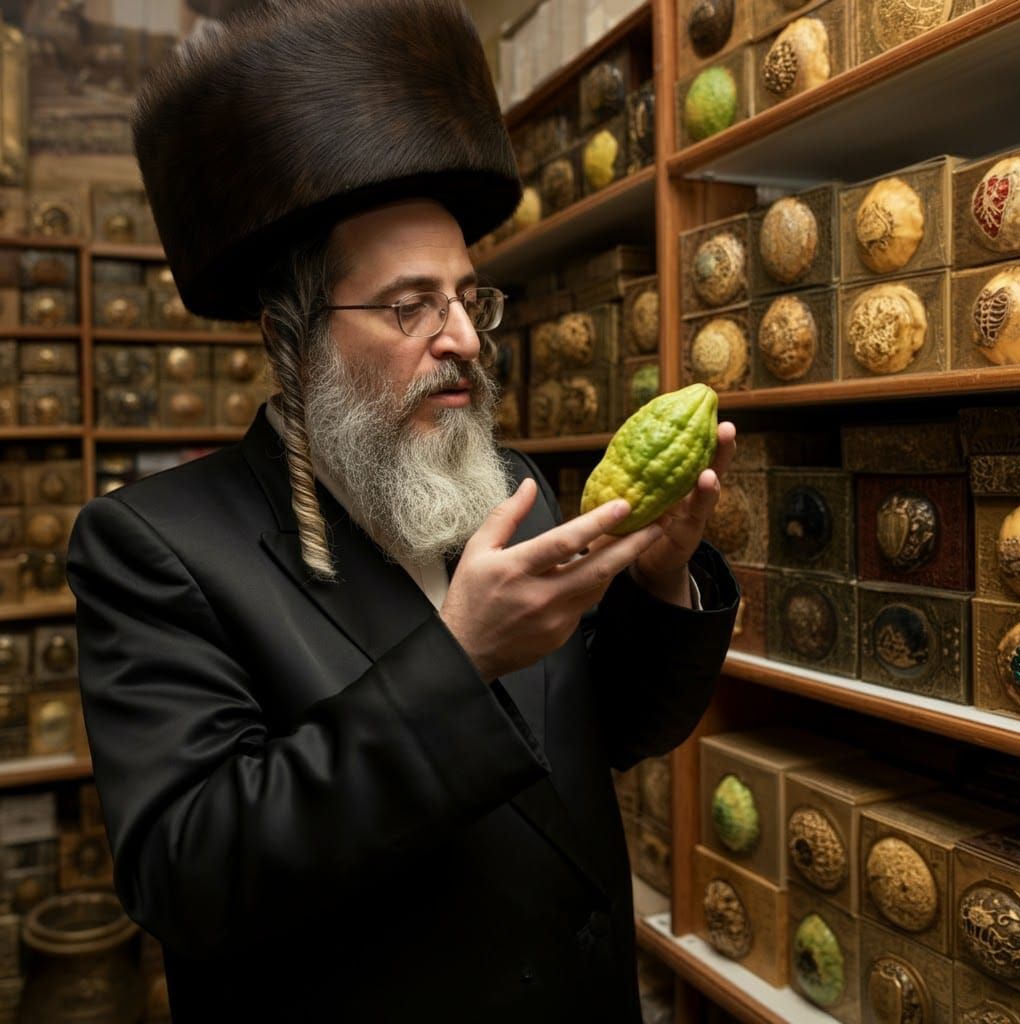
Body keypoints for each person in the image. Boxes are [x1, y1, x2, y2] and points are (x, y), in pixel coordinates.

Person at [67, 1, 740, 1021]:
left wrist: (658, 576)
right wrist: (458, 657)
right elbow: (190, 875)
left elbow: (607, 732)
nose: (464, 336)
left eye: (470, 297)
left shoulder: (502, 479)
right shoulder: (154, 548)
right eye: (408, 305)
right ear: (290, 334)